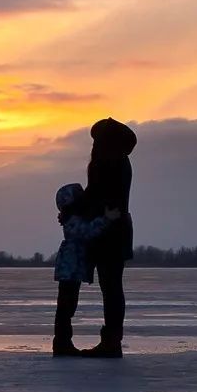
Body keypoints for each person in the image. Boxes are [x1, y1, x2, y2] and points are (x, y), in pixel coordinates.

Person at [80, 118, 137, 358]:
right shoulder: (116, 161)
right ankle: (111, 339)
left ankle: (112, 341)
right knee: (111, 286)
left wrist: (76, 208)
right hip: (114, 228)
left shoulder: (110, 162)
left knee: (111, 286)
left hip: (110, 230)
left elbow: (99, 196)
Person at [52, 183, 121, 356]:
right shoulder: (73, 220)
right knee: (66, 307)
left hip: (72, 270)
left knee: (67, 306)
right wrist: (107, 219)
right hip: (70, 270)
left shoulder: (72, 218)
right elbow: (88, 231)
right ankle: (62, 343)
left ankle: (63, 342)